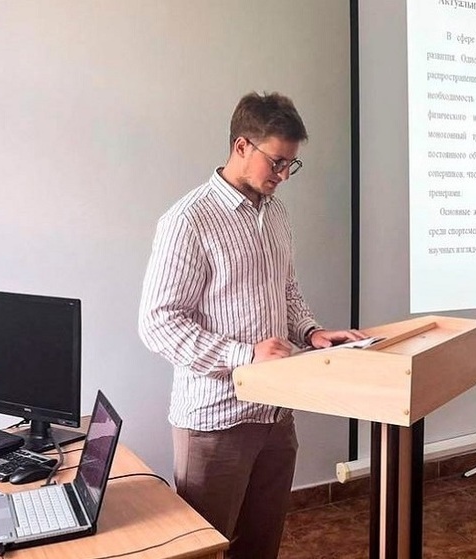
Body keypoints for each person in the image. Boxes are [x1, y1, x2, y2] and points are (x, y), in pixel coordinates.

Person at [138, 91, 363, 559]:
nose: (283, 175)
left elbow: (287, 290)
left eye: (291, 165)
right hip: (215, 421)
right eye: (277, 162)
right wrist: (245, 356)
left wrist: (311, 332)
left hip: (276, 414)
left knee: (261, 549)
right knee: (204, 551)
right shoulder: (188, 220)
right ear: (242, 146)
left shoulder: (276, 212)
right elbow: (158, 322)